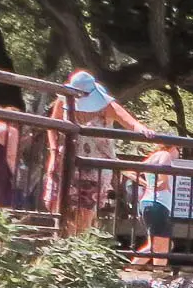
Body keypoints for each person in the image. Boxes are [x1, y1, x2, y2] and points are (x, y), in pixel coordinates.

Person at [44, 70, 154, 235]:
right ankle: (60, 243)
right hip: (66, 161)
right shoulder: (63, 101)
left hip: (94, 166)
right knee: (58, 206)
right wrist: (53, 151)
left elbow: (129, 121)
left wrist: (143, 130)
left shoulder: (106, 105)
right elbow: (53, 125)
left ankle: (76, 246)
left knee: (85, 211)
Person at [130, 144, 179, 267]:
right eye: (178, 149)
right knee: (157, 246)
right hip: (158, 203)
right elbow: (162, 178)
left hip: (148, 203)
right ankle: (131, 270)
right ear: (172, 148)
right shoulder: (165, 155)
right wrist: (163, 182)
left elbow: (129, 171)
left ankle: (158, 273)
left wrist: (146, 183)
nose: (178, 152)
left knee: (162, 245)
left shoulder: (152, 157)